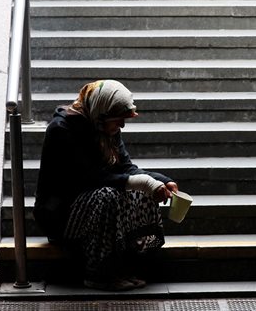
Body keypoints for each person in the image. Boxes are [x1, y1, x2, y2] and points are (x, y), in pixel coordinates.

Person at [34, 79, 178, 291]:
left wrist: (162, 181)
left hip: (92, 205)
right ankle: (99, 274)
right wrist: (145, 183)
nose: (122, 126)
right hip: (61, 215)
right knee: (108, 195)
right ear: (102, 114)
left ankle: (123, 263)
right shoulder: (61, 129)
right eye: (118, 120)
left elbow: (126, 168)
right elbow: (90, 178)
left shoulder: (104, 126)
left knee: (142, 191)